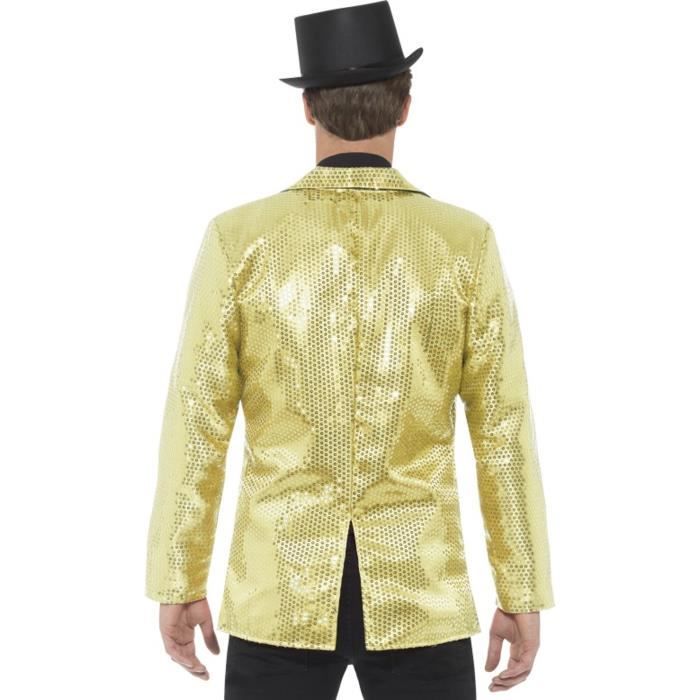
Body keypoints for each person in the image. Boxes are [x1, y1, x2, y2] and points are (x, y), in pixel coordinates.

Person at [144, 2, 555, 698]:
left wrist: (179, 578)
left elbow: (197, 421)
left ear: (308, 107)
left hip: (279, 585)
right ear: (406, 105)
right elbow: (502, 431)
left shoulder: (239, 240)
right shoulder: (464, 243)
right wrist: (521, 590)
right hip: (419, 589)